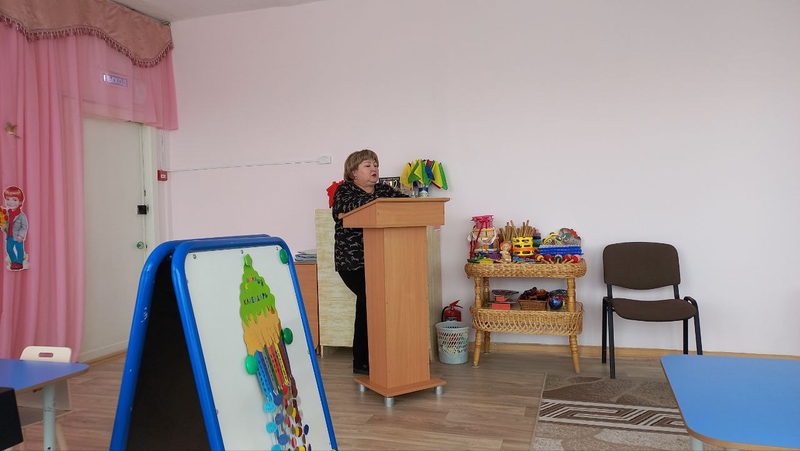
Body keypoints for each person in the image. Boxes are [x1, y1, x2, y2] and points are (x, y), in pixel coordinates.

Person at [332, 149, 407, 374]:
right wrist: (382, 201)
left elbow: (405, 204)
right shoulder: (344, 191)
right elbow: (345, 210)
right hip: (353, 263)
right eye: (367, 165)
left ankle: (368, 360)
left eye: (375, 164)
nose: (374, 168)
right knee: (370, 302)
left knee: (368, 304)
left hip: (381, 259)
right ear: (353, 172)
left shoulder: (382, 190)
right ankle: (364, 360)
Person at [3, 186, 28, 271]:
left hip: (17, 237)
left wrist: (21, 235)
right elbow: (6, 225)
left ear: (20, 202)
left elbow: (24, 226)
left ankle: (19, 262)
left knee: (19, 249)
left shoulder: (21, 216)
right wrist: (4, 227)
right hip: (9, 236)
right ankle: (14, 262)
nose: (11, 202)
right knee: (9, 249)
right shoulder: (7, 213)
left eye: (14, 200)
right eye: (8, 199)